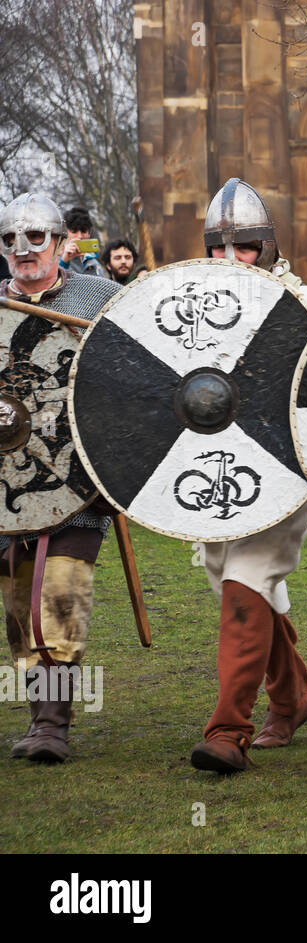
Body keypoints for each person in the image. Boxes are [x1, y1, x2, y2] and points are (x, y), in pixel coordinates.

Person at [189, 178, 307, 774]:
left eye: (242, 247)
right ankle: (292, 695)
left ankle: (227, 729)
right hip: (210, 471)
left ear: (267, 246)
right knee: (231, 581)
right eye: (218, 248)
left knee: (248, 580)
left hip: (279, 469)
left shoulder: (304, 305)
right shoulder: (188, 304)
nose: (229, 260)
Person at [0, 192, 121, 763]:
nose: (22, 252)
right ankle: (37, 715)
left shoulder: (98, 298)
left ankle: (53, 725)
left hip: (79, 478)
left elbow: (138, 379)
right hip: (7, 483)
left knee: (63, 592)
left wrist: (120, 466)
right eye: (9, 242)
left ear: (58, 243)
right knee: (20, 603)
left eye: (35, 239)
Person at [59, 206, 107, 279]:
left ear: (89, 233)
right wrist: (64, 261)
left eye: (83, 231)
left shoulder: (97, 258)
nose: (79, 236)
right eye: (74, 231)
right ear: (66, 232)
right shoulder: (56, 256)